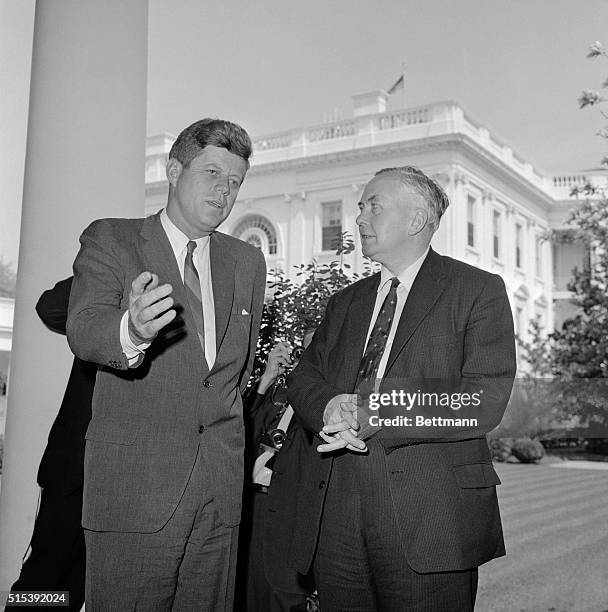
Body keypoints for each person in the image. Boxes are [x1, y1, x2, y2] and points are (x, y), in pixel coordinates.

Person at [287, 166, 516, 612]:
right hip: (336, 513)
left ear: (416, 220)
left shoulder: (477, 290)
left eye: (374, 205)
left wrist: (377, 410)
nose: (359, 218)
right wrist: (330, 405)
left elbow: (482, 398)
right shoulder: (345, 302)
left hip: (432, 517)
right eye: (360, 207)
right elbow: (304, 376)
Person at [66, 118, 266, 611]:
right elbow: (85, 328)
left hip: (219, 495)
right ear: (174, 170)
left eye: (235, 181)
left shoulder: (247, 261)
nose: (225, 191)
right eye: (213, 173)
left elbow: (231, 376)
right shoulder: (114, 239)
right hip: (136, 491)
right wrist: (131, 331)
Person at [11, 277, 94, 611]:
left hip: (131, 484)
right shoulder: (113, 273)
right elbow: (51, 307)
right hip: (73, 470)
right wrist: (122, 262)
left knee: (80, 586)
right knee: (42, 584)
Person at [238, 335, 316, 612]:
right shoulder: (277, 396)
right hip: (253, 509)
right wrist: (268, 378)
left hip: (289, 516)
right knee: (247, 593)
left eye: (312, 350)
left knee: (284, 598)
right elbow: (240, 431)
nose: (302, 358)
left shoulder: (324, 403)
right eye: (300, 351)